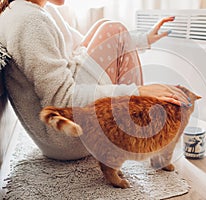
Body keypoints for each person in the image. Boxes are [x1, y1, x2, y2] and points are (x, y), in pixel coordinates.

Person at [0, 0, 191, 160]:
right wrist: (136, 92)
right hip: (67, 135)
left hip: (64, 131)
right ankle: (138, 133)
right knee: (112, 28)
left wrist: (144, 39)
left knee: (106, 26)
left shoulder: (37, 11)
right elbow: (61, 101)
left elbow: (83, 46)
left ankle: (135, 127)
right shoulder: (30, 21)